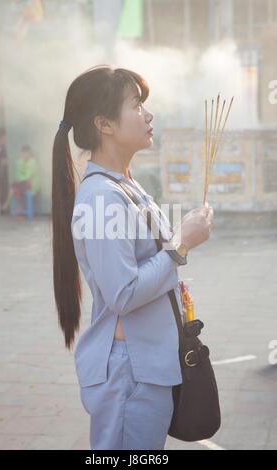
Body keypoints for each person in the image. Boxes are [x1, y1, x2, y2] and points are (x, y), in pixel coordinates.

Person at [52, 65, 214, 450]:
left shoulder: (124, 185)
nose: (148, 114)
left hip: (145, 363)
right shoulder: (102, 196)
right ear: (104, 124)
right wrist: (181, 245)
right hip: (129, 371)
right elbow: (122, 293)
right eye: (136, 105)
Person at [10, 145, 40, 219]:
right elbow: (17, 175)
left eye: (27, 153)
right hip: (23, 183)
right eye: (23, 153)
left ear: (30, 154)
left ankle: (18, 210)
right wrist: (21, 166)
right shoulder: (19, 162)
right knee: (14, 188)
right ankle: (18, 211)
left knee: (14, 188)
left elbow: (28, 176)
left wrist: (21, 177)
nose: (25, 155)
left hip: (32, 185)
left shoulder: (33, 162)